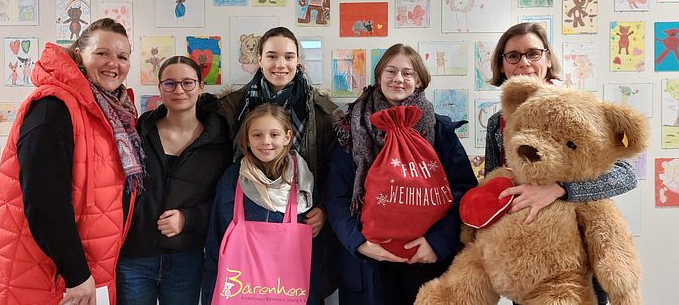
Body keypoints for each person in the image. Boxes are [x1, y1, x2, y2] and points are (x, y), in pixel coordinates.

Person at [0, 19, 144, 305]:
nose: (113, 64)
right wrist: (76, 273)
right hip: (40, 274)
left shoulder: (110, 112)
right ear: (79, 53)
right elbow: (45, 201)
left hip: (76, 270)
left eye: (122, 56)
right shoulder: (53, 107)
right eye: (102, 53)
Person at [485, 22, 638, 305]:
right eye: (513, 56)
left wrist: (561, 189)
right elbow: (493, 183)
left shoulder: (579, 109)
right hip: (530, 253)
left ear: (547, 58)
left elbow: (626, 174)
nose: (524, 63)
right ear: (502, 65)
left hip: (582, 246)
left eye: (532, 53)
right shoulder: (497, 124)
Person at [326, 44, 478, 305]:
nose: (398, 79)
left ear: (418, 81)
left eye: (407, 73)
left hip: (426, 263)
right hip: (368, 264)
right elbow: (337, 197)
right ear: (379, 76)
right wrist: (359, 243)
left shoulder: (438, 130)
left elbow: (464, 192)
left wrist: (437, 242)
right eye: (391, 71)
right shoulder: (352, 128)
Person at [214, 26, 339, 297]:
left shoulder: (322, 111)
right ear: (259, 59)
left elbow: (334, 170)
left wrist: (325, 208)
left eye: (288, 57)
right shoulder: (231, 107)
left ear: (298, 61)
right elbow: (221, 165)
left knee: (293, 293)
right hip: (245, 218)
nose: (280, 64)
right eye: (272, 56)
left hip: (299, 221)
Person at [117, 56, 231, 305]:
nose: (179, 90)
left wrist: (188, 218)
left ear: (201, 87)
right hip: (134, 256)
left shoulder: (220, 143)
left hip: (186, 258)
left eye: (188, 83)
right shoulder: (137, 133)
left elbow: (226, 202)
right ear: (160, 89)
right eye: (170, 83)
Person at [202, 103, 322, 304]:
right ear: (247, 140)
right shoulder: (233, 179)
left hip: (289, 289)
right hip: (240, 290)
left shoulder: (303, 182)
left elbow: (312, 255)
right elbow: (216, 240)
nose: (266, 142)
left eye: (274, 134)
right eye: (257, 135)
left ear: (287, 137)